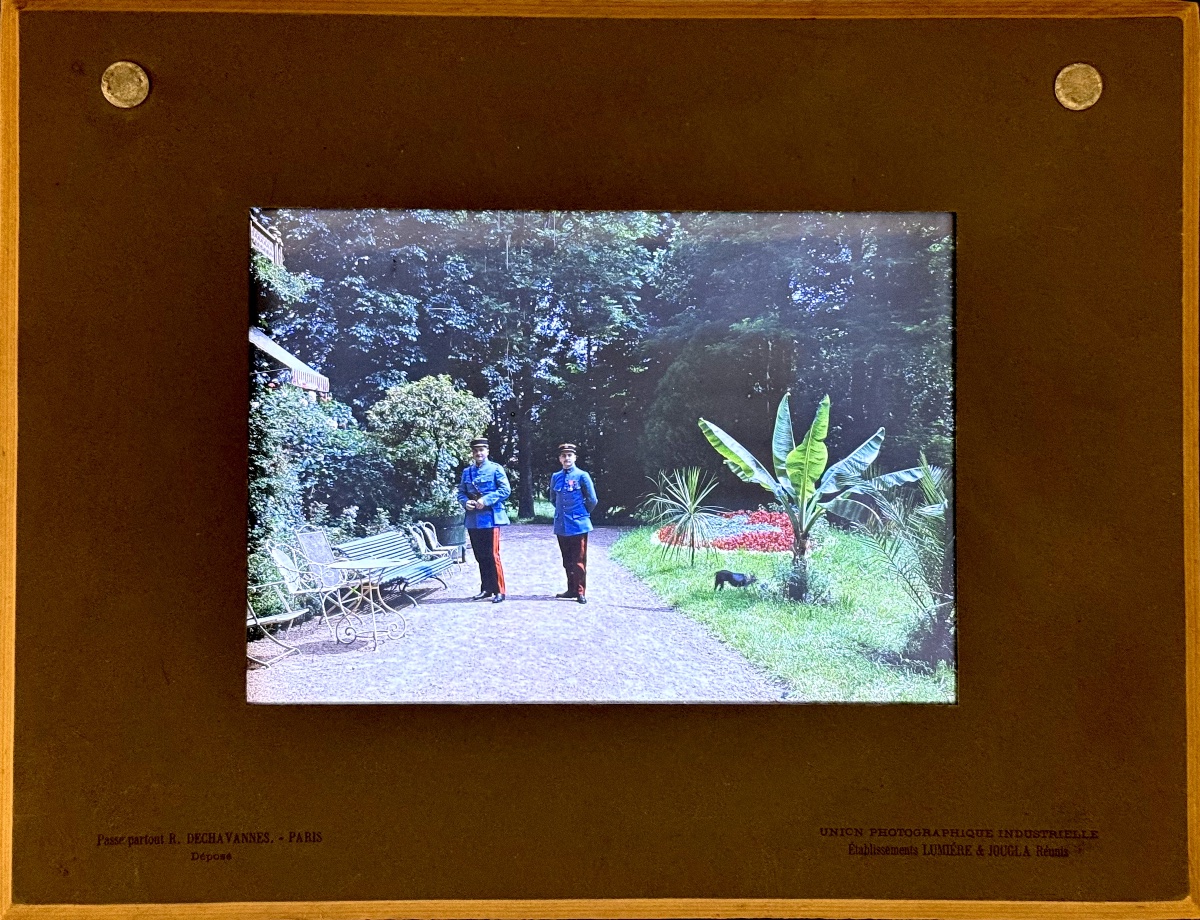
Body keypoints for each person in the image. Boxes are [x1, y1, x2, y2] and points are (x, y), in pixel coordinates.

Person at [457, 437, 511, 603]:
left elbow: (505, 490)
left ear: (487, 452)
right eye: (475, 451)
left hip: (491, 518)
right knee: (480, 556)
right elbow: (461, 492)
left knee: (493, 555)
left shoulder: (495, 469)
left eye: (481, 450)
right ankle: (487, 588)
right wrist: (466, 502)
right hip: (473, 519)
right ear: (472, 453)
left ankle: (499, 591)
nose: (478, 453)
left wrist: (485, 500)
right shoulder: (467, 472)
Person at [548, 443, 598, 604]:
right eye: (564, 456)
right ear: (560, 458)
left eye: (569, 455)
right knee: (567, 560)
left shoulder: (582, 475)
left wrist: (582, 514)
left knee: (579, 560)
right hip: (562, 524)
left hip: (578, 524)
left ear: (575, 457)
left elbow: (592, 500)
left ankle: (580, 592)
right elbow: (553, 499)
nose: (566, 458)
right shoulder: (556, 476)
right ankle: (571, 589)